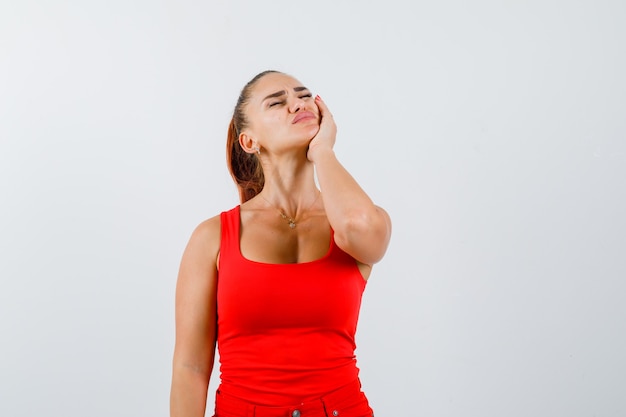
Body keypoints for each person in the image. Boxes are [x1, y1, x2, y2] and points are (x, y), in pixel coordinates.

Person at [169, 70, 392, 417]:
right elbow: (190, 369)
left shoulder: (353, 217)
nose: (297, 104)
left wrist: (324, 153)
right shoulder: (211, 238)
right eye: (277, 101)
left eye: (304, 96)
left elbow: (357, 227)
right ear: (249, 141)